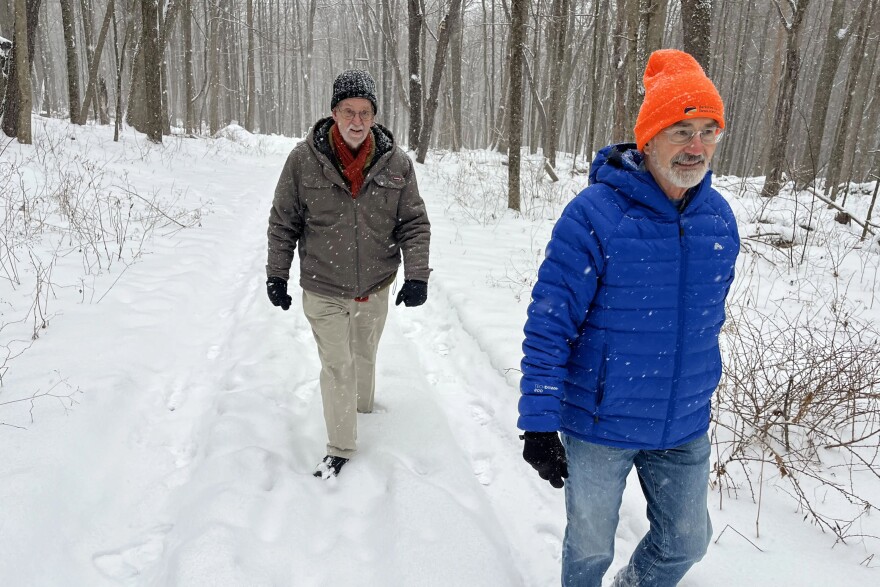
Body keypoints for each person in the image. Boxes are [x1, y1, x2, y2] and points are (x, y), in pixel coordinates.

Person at [518, 49, 740, 586]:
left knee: (686, 542)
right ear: (649, 138)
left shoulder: (719, 219)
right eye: (681, 130)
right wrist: (540, 420)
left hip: (683, 422)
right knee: (590, 549)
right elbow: (551, 323)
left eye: (708, 131)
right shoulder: (596, 214)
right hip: (601, 422)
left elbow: (706, 322)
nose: (697, 147)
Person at [266, 69, 431, 479]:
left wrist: (417, 275)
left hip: (375, 285)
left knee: (364, 355)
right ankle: (341, 446)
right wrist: (277, 274)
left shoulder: (396, 164)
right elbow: (283, 222)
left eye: (365, 112)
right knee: (338, 364)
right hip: (323, 286)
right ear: (333, 113)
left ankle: (362, 411)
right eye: (348, 111)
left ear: (374, 116)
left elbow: (413, 223)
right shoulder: (303, 162)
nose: (356, 121)